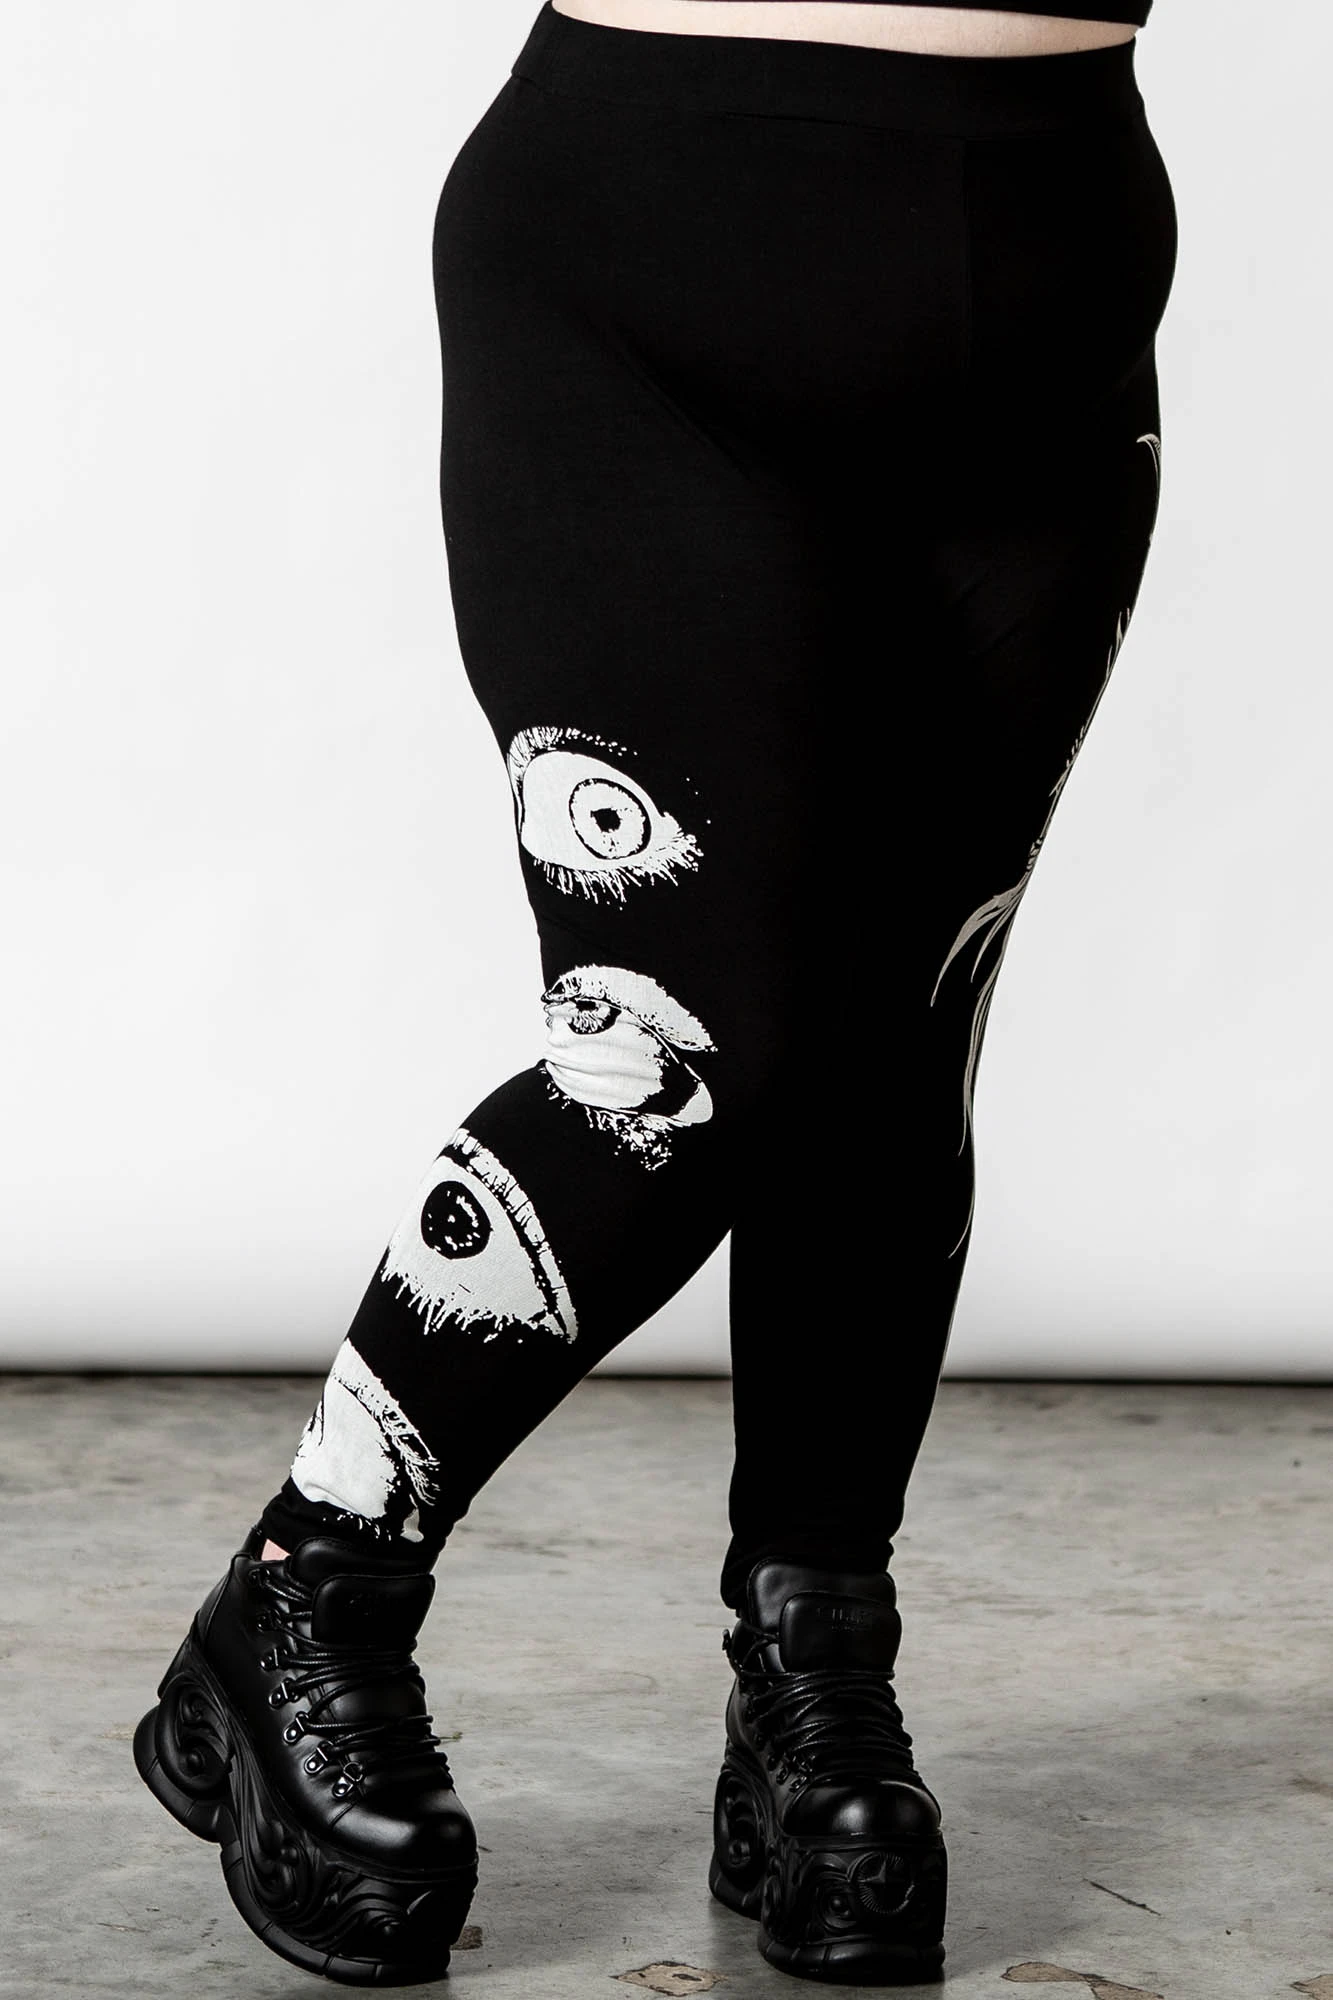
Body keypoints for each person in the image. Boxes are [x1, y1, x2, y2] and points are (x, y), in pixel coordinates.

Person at [133, 0, 1177, 1984]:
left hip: (1058, 280)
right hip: (653, 276)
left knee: (897, 1038)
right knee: (687, 1044)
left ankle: (815, 1672)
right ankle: (311, 1582)